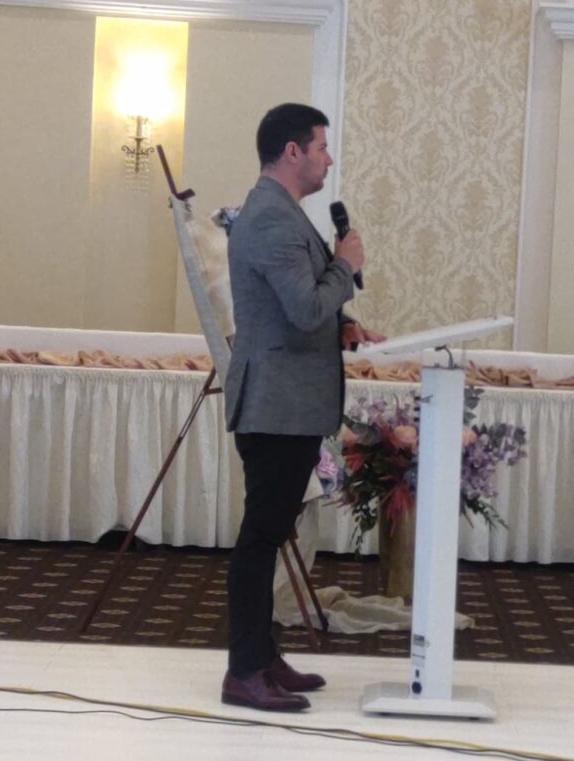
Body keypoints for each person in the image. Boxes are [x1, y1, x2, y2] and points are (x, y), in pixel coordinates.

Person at [221, 103, 384, 712]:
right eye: (321, 147)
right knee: (260, 537)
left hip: (289, 402)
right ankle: (244, 671)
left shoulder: (282, 212)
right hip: (276, 404)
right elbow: (304, 309)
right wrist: (346, 265)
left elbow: (305, 306)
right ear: (292, 151)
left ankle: (262, 658)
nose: (329, 158)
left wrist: (343, 323)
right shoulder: (270, 216)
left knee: (269, 533)